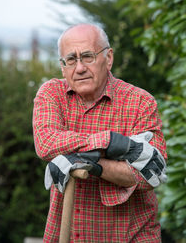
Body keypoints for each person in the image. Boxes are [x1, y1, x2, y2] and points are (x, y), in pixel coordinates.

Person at [33, 23, 167, 242]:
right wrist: (112, 142)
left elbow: (148, 176)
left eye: (87, 56)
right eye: (71, 60)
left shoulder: (140, 102)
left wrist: (90, 163)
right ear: (63, 66)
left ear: (109, 57)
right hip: (68, 235)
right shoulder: (52, 93)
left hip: (132, 236)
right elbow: (46, 144)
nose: (79, 68)